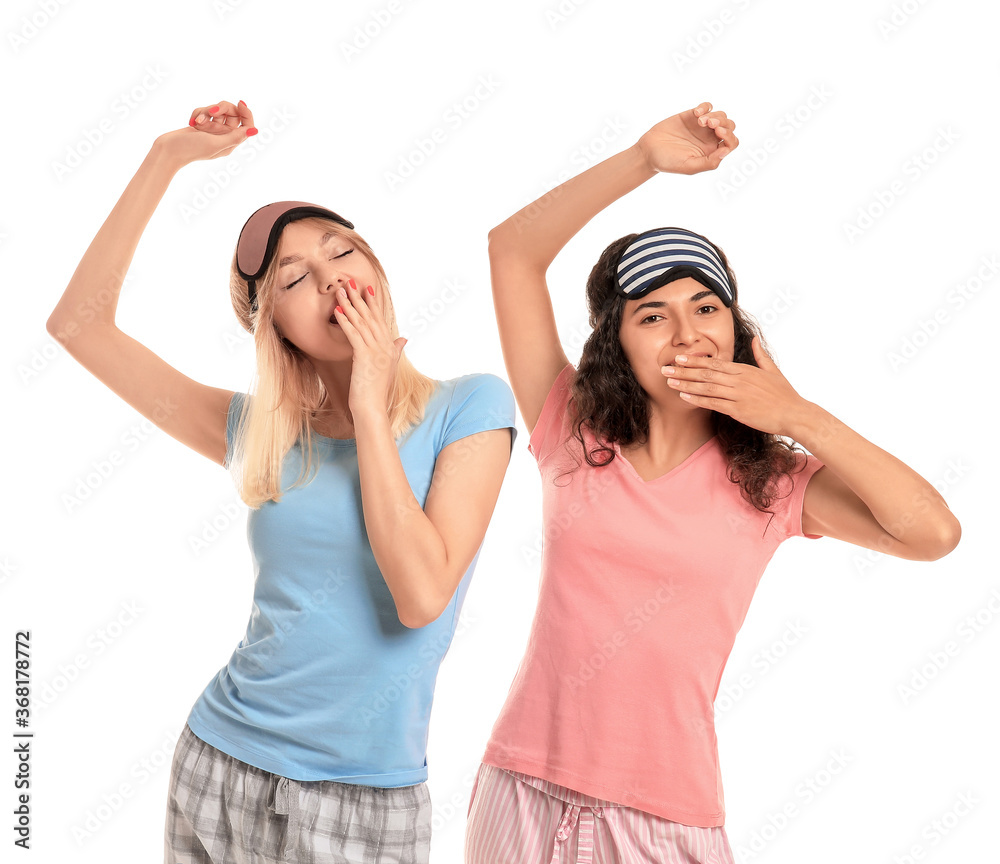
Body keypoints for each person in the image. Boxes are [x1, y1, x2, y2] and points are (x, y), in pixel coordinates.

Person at [464, 102, 961, 863]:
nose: (688, 332)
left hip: (667, 817)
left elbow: (933, 533)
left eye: (706, 308)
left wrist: (794, 412)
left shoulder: (772, 484)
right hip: (521, 788)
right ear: (617, 346)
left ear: (737, 329)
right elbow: (511, 251)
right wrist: (642, 158)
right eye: (652, 316)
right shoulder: (570, 427)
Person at [46, 99, 516, 864]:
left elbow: (421, 595)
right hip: (220, 760)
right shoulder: (258, 433)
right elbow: (77, 326)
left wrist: (370, 406)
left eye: (344, 253)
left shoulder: (471, 406)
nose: (335, 282)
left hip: (364, 796)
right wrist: (168, 157)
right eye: (298, 277)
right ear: (275, 326)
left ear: (375, 267)